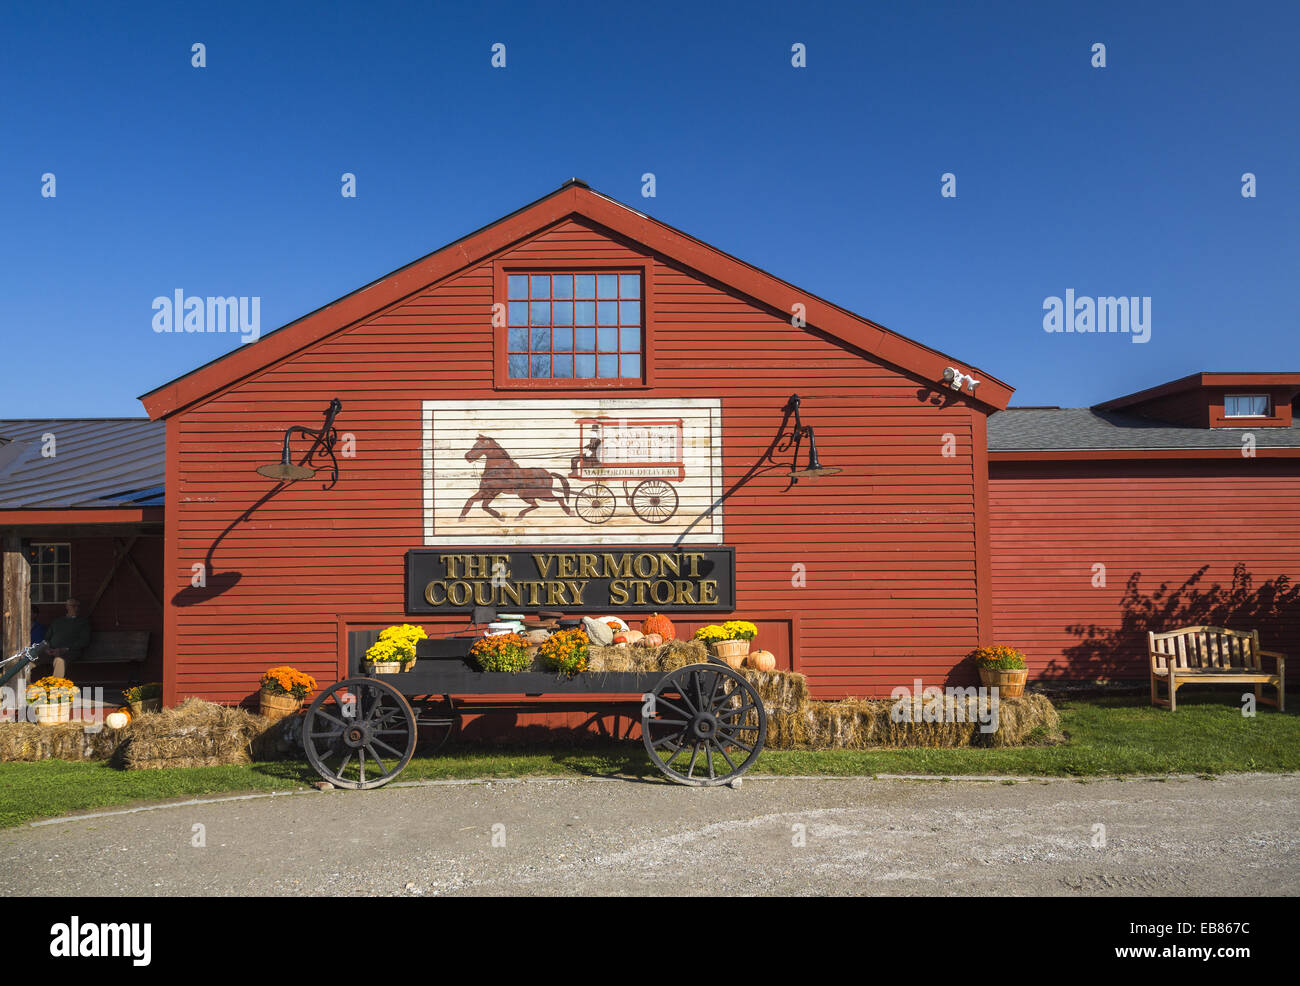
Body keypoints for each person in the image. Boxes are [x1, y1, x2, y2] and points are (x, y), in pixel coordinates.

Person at [38, 597, 90, 679]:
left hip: (70, 652)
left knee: (59, 661)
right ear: (67, 607)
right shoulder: (57, 621)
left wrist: (64, 649)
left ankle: (56, 687)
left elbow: (84, 641)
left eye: (77, 606)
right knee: (30, 659)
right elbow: (47, 638)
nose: (76, 608)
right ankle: (22, 685)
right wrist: (47, 648)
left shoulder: (83, 622)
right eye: (73, 606)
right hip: (51, 651)